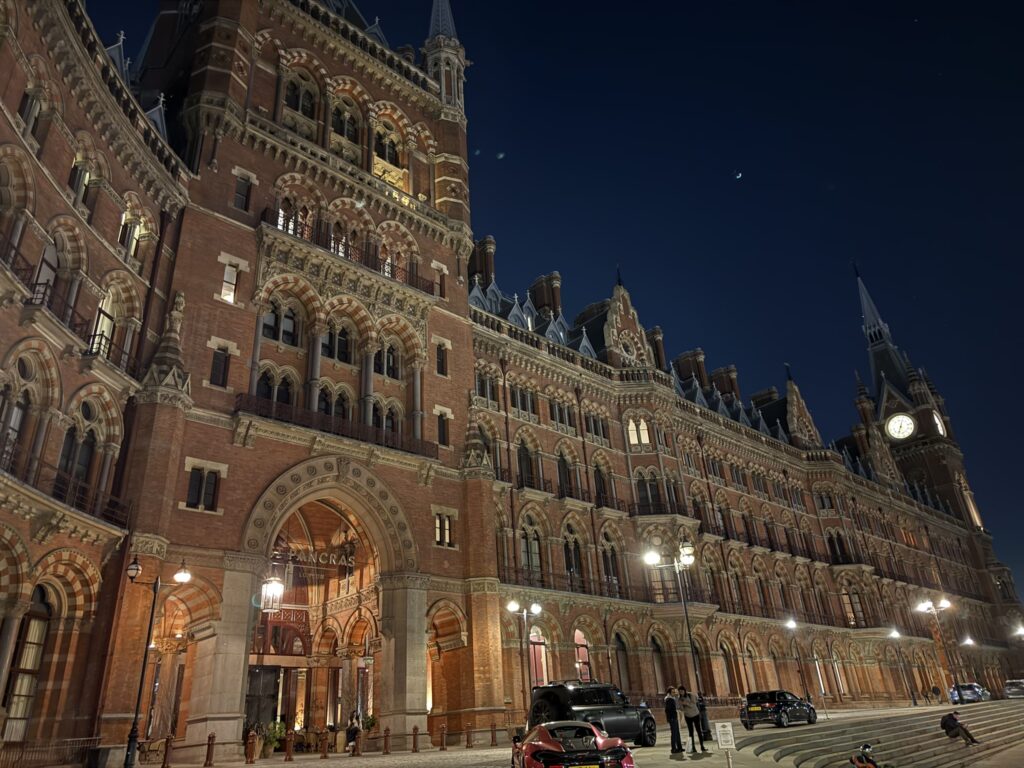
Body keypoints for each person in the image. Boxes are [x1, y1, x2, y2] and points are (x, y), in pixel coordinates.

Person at [679, 687, 707, 754]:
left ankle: (702, 746)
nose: (681, 693)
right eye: (680, 691)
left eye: (682, 691)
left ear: (684, 691)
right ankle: (693, 748)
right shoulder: (680, 698)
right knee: (690, 732)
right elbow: (682, 709)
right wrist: (681, 705)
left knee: (699, 731)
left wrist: (686, 703)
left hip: (695, 715)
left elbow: (694, 703)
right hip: (688, 716)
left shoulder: (690, 695)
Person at [664, 686, 683, 754]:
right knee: (674, 733)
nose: (674, 693)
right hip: (672, 718)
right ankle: (673, 748)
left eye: (674, 691)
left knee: (677, 733)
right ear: (669, 692)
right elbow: (667, 710)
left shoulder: (672, 698)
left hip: (674, 718)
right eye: (673, 692)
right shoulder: (669, 699)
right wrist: (670, 718)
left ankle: (679, 747)